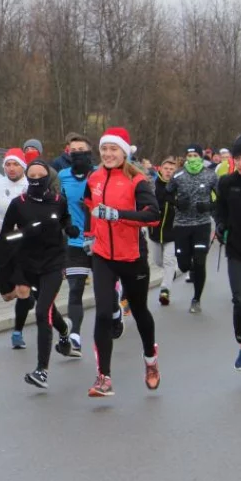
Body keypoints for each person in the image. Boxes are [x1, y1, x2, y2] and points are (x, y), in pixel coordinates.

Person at [84, 127, 161, 397]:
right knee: (104, 313)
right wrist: (88, 235)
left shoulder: (137, 179)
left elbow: (153, 215)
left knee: (140, 311)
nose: (107, 154)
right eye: (104, 149)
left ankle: (150, 359)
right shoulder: (93, 177)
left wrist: (118, 215)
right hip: (103, 256)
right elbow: (88, 206)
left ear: (124, 152)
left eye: (113, 149)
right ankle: (103, 377)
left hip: (133, 257)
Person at [0, 160, 77, 388]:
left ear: (47, 178)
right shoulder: (18, 204)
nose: (35, 179)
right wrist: (24, 233)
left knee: (42, 311)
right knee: (48, 307)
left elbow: (65, 219)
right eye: (31, 175)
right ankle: (64, 332)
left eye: (39, 175)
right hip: (28, 265)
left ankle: (41, 371)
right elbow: (6, 236)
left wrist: (70, 228)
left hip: (54, 263)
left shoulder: (58, 200)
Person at [0, 148, 32, 349]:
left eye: (15, 164)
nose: (11, 168)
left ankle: (17, 332)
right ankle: (30, 297)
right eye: (8, 164)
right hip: (3, 243)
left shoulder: (30, 186)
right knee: (7, 295)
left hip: (25, 244)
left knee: (22, 288)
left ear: (23, 166)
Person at [215, 135, 241, 370]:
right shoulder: (227, 183)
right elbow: (220, 210)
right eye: (238, 158)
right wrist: (220, 225)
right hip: (238, 252)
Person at [57, 134, 96, 357]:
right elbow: (57, 206)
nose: (77, 153)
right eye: (73, 150)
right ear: (68, 153)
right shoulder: (62, 176)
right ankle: (75, 336)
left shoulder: (100, 175)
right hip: (73, 242)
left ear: (89, 152)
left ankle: (116, 304)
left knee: (106, 293)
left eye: (82, 149)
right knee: (75, 289)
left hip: (99, 240)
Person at [168, 143, 218, 314]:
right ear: (186, 158)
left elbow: (220, 198)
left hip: (202, 225)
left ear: (201, 156)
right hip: (181, 225)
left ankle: (196, 299)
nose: (192, 159)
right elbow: (166, 194)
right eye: (189, 156)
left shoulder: (210, 175)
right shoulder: (178, 175)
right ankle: (190, 268)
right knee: (183, 263)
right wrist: (176, 202)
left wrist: (210, 206)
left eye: (195, 156)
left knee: (199, 261)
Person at [149, 157, 178, 306]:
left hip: (172, 231)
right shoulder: (153, 185)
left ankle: (165, 290)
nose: (168, 172)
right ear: (160, 169)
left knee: (168, 260)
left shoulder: (178, 186)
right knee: (158, 261)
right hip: (155, 231)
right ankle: (170, 272)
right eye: (166, 168)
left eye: (172, 169)